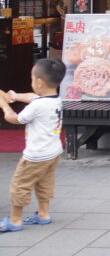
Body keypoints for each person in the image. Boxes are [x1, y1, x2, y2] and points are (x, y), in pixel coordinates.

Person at [0, 58, 66, 233]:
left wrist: (4, 105)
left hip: (35, 156)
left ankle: (14, 220)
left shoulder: (37, 106)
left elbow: (14, 119)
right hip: (53, 152)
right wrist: (14, 96)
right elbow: (32, 96)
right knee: (45, 183)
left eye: (31, 78)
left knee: (20, 184)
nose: (31, 82)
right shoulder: (54, 99)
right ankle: (43, 214)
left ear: (39, 82)